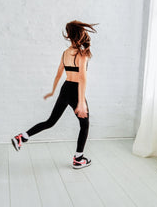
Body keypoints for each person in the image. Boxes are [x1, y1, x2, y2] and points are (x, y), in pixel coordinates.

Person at [11, 20, 98, 169]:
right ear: (80, 34)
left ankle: (22, 137)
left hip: (65, 88)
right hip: (76, 90)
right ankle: (79, 159)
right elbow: (82, 78)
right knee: (84, 125)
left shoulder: (65, 53)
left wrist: (53, 90)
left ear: (70, 35)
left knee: (50, 121)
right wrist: (81, 101)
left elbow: (59, 73)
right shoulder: (82, 54)